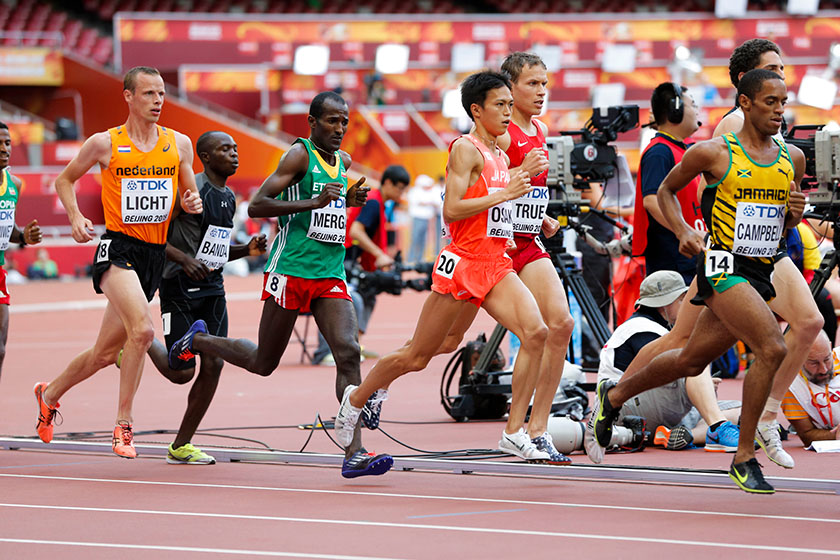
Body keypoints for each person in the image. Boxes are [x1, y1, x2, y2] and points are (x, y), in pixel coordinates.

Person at [588, 69, 806, 494]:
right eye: (769, 102)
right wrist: (684, 231)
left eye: (783, 102)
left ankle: (612, 398)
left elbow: (783, 224)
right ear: (744, 103)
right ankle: (744, 458)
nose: (779, 110)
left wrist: (795, 212)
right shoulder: (713, 152)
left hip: (759, 270)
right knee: (773, 346)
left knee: (690, 360)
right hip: (721, 265)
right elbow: (665, 193)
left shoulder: (790, 159)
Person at [167, 92, 391, 478]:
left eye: (344, 122)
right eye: (332, 121)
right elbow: (257, 205)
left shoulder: (345, 162)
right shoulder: (299, 155)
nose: (339, 129)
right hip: (290, 271)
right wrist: (313, 203)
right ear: (312, 122)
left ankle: (354, 452)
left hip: (329, 273)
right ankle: (197, 341)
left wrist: (348, 200)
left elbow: (331, 206)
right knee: (263, 363)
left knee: (349, 352)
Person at [335, 70, 552, 462]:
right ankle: (357, 397)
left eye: (508, 105)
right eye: (499, 106)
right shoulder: (465, 149)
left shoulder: (501, 151)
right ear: (476, 109)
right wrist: (509, 188)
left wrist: (531, 202)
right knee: (419, 355)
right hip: (463, 263)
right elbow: (453, 209)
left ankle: (515, 432)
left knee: (537, 332)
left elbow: (497, 199)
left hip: (495, 263)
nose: (507, 113)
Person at [34, 66, 203, 458]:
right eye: (148, 94)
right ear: (128, 96)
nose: (157, 101)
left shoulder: (179, 144)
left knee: (104, 354)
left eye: (161, 94)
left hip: (153, 257)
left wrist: (191, 202)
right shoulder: (104, 143)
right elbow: (64, 180)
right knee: (142, 332)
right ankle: (123, 425)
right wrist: (76, 216)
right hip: (118, 250)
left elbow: (189, 198)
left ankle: (49, 394)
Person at [137, 131, 267, 464]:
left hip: (213, 289)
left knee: (215, 363)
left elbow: (214, 252)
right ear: (206, 157)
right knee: (180, 373)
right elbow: (151, 238)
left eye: (236, 149)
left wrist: (247, 250)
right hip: (178, 286)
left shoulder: (228, 197)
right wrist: (183, 259)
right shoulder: (189, 189)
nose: (234, 154)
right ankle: (138, 339)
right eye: (226, 149)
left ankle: (181, 445)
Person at [593, 270, 741, 451]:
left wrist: (703, 387)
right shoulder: (642, 328)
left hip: (638, 406)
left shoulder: (645, 327)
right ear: (669, 302)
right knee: (693, 360)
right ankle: (717, 427)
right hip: (625, 408)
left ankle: (687, 434)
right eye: (682, 300)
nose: (687, 305)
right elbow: (660, 371)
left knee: (749, 411)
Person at [312, 164, 411, 365]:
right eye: (399, 188)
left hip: (350, 261)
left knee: (369, 295)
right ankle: (325, 351)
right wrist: (379, 255)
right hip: (339, 260)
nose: (401, 193)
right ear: (388, 183)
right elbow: (356, 232)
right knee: (350, 299)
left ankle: (354, 345)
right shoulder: (373, 202)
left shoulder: (380, 203)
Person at [633, 83, 703, 284]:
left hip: (688, 256)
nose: (697, 110)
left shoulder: (685, 150)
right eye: (693, 104)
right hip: (674, 261)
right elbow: (652, 200)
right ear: (676, 110)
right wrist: (685, 231)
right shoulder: (659, 152)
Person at [0, 121, 43, 382]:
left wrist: (24, 235)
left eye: (7, 143)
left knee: (0, 349)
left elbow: (9, 230)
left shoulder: (14, 184)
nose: (4, 149)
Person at [781, 331, 840, 447]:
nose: (824, 369)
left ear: (830, 345)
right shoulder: (789, 386)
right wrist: (836, 435)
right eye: (814, 363)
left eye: (827, 359)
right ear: (797, 359)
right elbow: (807, 434)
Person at [406, 174, 442, 265]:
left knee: (423, 240)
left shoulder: (429, 192)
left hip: (426, 219)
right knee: (415, 239)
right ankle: (410, 259)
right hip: (417, 218)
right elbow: (418, 202)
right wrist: (428, 203)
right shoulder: (415, 191)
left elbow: (436, 202)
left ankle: (420, 259)